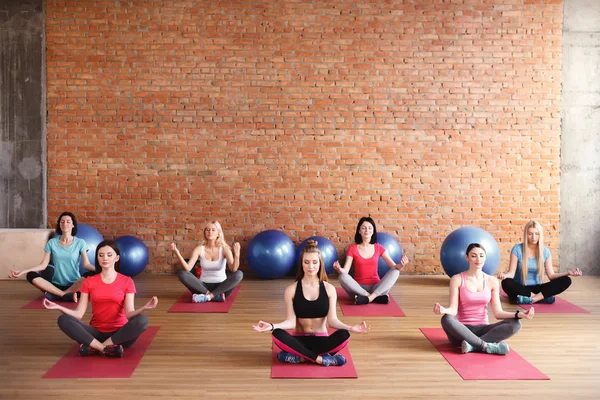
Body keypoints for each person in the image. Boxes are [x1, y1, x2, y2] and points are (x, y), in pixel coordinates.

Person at [253, 240, 370, 366]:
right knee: (277, 333)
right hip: (298, 341)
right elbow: (291, 322)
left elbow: (332, 321)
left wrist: (351, 327)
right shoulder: (291, 290)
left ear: (320, 264)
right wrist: (271, 326)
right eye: (306, 262)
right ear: (301, 264)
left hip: (322, 341)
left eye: (315, 262)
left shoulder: (329, 289)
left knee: (344, 334)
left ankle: (300, 357)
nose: (311, 267)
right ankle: (321, 359)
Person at [43, 240, 157, 357]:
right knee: (63, 320)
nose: (105, 258)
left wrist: (144, 308)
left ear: (116, 258)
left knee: (142, 320)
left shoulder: (127, 281)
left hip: (121, 335)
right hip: (95, 333)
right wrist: (58, 306)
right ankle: (104, 348)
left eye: (109, 255)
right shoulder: (89, 282)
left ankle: (96, 347)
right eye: (101, 255)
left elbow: (129, 314)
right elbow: (78, 314)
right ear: (97, 258)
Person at [433, 243, 534, 355]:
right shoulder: (457, 279)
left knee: (516, 324)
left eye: (481, 256)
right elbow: (453, 309)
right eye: (473, 255)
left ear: (485, 258)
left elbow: (498, 313)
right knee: (446, 319)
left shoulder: (492, 281)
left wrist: (518, 314)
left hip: (483, 329)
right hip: (461, 332)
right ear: (467, 257)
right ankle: (485, 346)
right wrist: (444, 310)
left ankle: (473, 346)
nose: (478, 259)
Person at [8, 211, 95, 302]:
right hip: (56, 285)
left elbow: (86, 265)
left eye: (68, 221)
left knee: (91, 274)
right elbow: (43, 265)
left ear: (73, 225)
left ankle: (59, 295)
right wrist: (23, 271)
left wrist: (100, 269)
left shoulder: (80, 243)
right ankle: (64, 295)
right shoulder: (52, 243)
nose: (65, 224)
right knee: (30, 275)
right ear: (59, 224)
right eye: (62, 221)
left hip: (75, 284)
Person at [497, 220, 582, 304]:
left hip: (538, 288)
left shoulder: (545, 252)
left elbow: (551, 276)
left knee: (566, 280)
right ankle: (541, 298)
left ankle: (532, 299)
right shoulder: (517, 249)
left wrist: (568, 273)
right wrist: (504, 275)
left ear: (540, 235)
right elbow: (511, 274)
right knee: (506, 282)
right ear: (526, 235)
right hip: (520, 288)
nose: (533, 237)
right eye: (530, 234)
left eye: (536, 234)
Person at [333, 216, 409, 305]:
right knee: (342, 277)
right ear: (359, 231)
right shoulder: (353, 248)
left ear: (373, 231)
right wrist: (339, 269)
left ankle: (369, 298)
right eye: (364, 228)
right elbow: (346, 270)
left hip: (377, 287)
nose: (367, 230)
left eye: (370, 228)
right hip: (358, 289)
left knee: (396, 271)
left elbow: (394, 266)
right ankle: (374, 297)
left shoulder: (379, 247)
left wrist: (401, 265)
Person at [170, 220, 242, 303]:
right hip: (202, 287)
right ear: (205, 233)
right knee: (181, 273)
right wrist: (177, 252)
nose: (210, 232)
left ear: (218, 233)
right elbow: (187, 268)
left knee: (239, 274)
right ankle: (211, 296)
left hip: (222, 288)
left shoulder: (225, 249)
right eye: (207, 230)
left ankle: (208, 297)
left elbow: (233, 269)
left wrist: (237, 255)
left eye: (213, 230)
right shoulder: (199, 249)